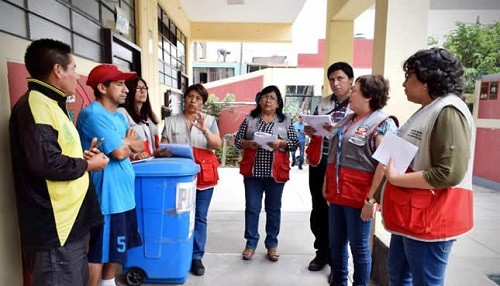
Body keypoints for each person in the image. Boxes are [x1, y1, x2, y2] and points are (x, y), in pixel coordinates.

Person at [9, 38, 109, 285]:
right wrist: (88, 165)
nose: (77, 76)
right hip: (56, 229)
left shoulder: (50, 103)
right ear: (57, 70)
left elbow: (51, 154)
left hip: (68, 224)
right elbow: (47, 164)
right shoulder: (35, 106)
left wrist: (81, 157)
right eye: (74, 68)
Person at [381, 47, 474, 286]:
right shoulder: (429, 109)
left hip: (431, 219)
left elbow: (449, 172)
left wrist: (395, 178)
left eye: (409, 76)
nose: (403, 84)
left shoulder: (448, 111)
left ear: (427, 79)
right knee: (399, 276)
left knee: (425, 282)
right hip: (412, 217)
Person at [323, 74, 398, 286]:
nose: (350, 94)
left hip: (359, 199)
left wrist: (371, 200)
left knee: (359, 248)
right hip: (337, 195)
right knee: (336, 245)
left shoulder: (384, 123)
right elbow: (335, 155)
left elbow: (384, 166)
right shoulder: (348, 118)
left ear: (368, 96)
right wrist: (326, 184)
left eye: (354, 90)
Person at [76, 64, 144, 286]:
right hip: (106, 198)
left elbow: (139, 143)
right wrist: (125, 143)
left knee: (117, 248)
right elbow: (120, 152)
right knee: (97, 254)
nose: (126, 89)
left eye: (125, 84)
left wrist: (125, 142)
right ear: (102, 88)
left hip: (123, 196)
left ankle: (108, 283)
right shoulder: (93, 114)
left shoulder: (119, 116)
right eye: (119, 84)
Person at [161, 83, 222, 276]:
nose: (193, 101)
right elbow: (162, 147)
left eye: (197, 98)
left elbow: (217, 145)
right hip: (179, 177)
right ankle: (178, 251)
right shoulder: (171, 121)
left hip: (204, 176)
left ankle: (196, 257)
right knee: (178, 213)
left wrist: (204, 129)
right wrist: (163, 151)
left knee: (200, 217)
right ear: (184, 99)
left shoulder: (210, 120)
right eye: (190, 97)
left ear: (202, 102)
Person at [235, 85, 298, 262]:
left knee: (273, 210)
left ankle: (272, 244)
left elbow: (294, 143)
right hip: (253, 173)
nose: (267, 100)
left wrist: (280, 143)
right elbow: (238, 141)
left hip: (276, 174)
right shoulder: (250, 119)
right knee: (252, 209)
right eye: (264, 96)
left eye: (272, 97)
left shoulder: (285, 121)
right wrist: (249, 144)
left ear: (278, 103)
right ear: (259, 100)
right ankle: (251, 243)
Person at [304, 62, 353, 271]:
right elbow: (315, 127)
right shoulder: (323, 103)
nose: (336, 83)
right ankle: (321, 251)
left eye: (340, 78)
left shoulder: (357, 104)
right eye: (332, 79)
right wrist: (310, 129)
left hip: (342, 166)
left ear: (350, 80)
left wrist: (335, 130)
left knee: (338, 212)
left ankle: (337, 257)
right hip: (319, 162)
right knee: (319, 209)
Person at [117, 77, 170, 160]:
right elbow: (117, 145)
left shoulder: (150, 116)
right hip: (134, 165)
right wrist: (134, 156)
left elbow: (152, 148)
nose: (142, 91)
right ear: (129, 90)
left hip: (151, 163)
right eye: (138, 88)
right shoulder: (121, 113)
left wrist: (157, 152)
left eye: (144, 88)